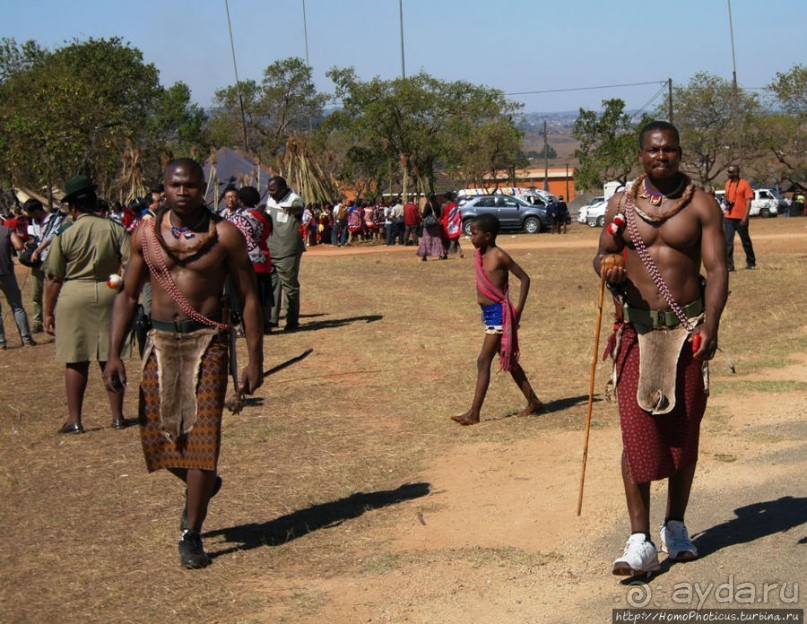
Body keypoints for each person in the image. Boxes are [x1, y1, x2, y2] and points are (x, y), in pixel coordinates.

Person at [104, 158, 263, 569]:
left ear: (202, 190)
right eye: (176, 185)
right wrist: (113, 354)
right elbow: (126, 295)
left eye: (191, 186)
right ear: (164, 187)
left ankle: (191, 532)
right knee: (157, 438)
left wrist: (254, 360)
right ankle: (205, 482)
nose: (183, 192)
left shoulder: (226, 235)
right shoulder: (146, 234)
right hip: (158, 343)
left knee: (202, 443)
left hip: (208, 345)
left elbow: (248, 297)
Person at [595, 120, 728, 577]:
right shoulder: (621, 205)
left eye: (669, 150)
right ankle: (640, 539)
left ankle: (675, 525)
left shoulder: (702, 205)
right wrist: (608, 265)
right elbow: (603, 254)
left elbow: (718, 267)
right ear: (641, 155)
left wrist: (711, 324)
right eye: (653, 151)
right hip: (636, 334)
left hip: (687, 333)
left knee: (682, 433)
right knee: (637, 435)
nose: (661, 157)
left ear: (679, 152)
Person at [43, 176, 129, 433]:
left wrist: (48, 312)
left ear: (73, 208)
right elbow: (131, 263)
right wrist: (119, 284)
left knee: (76, 359)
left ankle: (75, 420)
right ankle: (117, 417)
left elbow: (54, 277)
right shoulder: (115, 229)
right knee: (110, 355)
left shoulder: (64, 233)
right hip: (108, 292)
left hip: (74, 294)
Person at [452, 214, 543, 426]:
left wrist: (518, 310)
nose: (471, 237)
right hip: (489, 314)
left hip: (498, 314)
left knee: (483, 360)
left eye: (475, 234)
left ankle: (474, 413)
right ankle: (533, 400)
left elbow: (525, 278)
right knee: (508, 360)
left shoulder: (499, 255)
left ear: (488, 235)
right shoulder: (481, 254)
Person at [265, 176, 305, 331]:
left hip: (287, 250)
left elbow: (299, 208)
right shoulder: (270, 199)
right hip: (271, 250)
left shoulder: (294, 200)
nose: (270, 192)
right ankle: (272, 319)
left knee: (290, 286)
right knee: (273, 286)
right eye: (269, 189)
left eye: (273, 190)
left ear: (282, 189)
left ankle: (292, 320)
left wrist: (289, 209)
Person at [0, 221, 36, 349]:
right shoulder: (7, 231)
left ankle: (1, 342)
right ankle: (26, 338)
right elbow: (19, 246)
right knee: (17, 306)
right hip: (6, 273)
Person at [722, 165, 756, 271]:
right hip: (728, 217)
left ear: (736, 173)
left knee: (745, 240)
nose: (728, 173)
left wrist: (745, 217)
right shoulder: (727, 184)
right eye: (728, 172)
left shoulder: (744, 184)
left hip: (741, 217)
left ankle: (751, 262)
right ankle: (729, 266)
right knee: (728, 242)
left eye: (730, 172)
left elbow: (749, 201)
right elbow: (727, 197)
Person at [416, 194, 445, 261]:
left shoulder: (428, 205)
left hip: (428, 226)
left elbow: (424, 215)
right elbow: (440, 214)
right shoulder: (438, 205)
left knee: (426, 240)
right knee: (437, 239)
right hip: (436, 225)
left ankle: (424, 256)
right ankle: (440, 254)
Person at [441, 192, 464, 258]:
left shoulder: (444, 205)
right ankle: (460, 251)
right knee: (455, 239)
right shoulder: (455, 205)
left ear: (445, 198)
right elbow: (458, 214)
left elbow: (442, 215)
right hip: (454, 224)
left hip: (445, 224)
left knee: (444, 240)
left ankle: (445, 254)